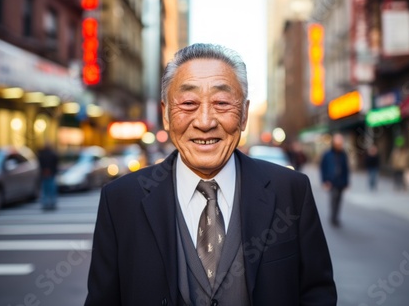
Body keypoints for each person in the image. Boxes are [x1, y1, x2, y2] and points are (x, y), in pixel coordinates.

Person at [84, 44, 336, 305]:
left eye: (222, 103)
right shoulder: (121, 200)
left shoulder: (290, 190)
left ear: (244, 115)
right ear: (166, 114)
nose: (205, 122)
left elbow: (317, 293)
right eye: (189, 103)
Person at [320, 133, 350, 227]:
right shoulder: (327, 154)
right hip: (331, 181)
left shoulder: (343, 154)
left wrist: (346, 182)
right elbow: (323, 168)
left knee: (339, 200)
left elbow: (346, 169)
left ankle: (336, 216)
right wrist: (324, 180)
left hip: (341, 181)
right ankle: (333, 217)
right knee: (333, 199)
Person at [37, 143, 59, 210]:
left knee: (45, 190)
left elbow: (40, 164)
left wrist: (44, 170)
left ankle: (46, 204)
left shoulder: (42, 155)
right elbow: (56, 164)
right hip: (50, 174)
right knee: (51, 190)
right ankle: (52, 203)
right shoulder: (53, 154)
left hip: (45, 175)